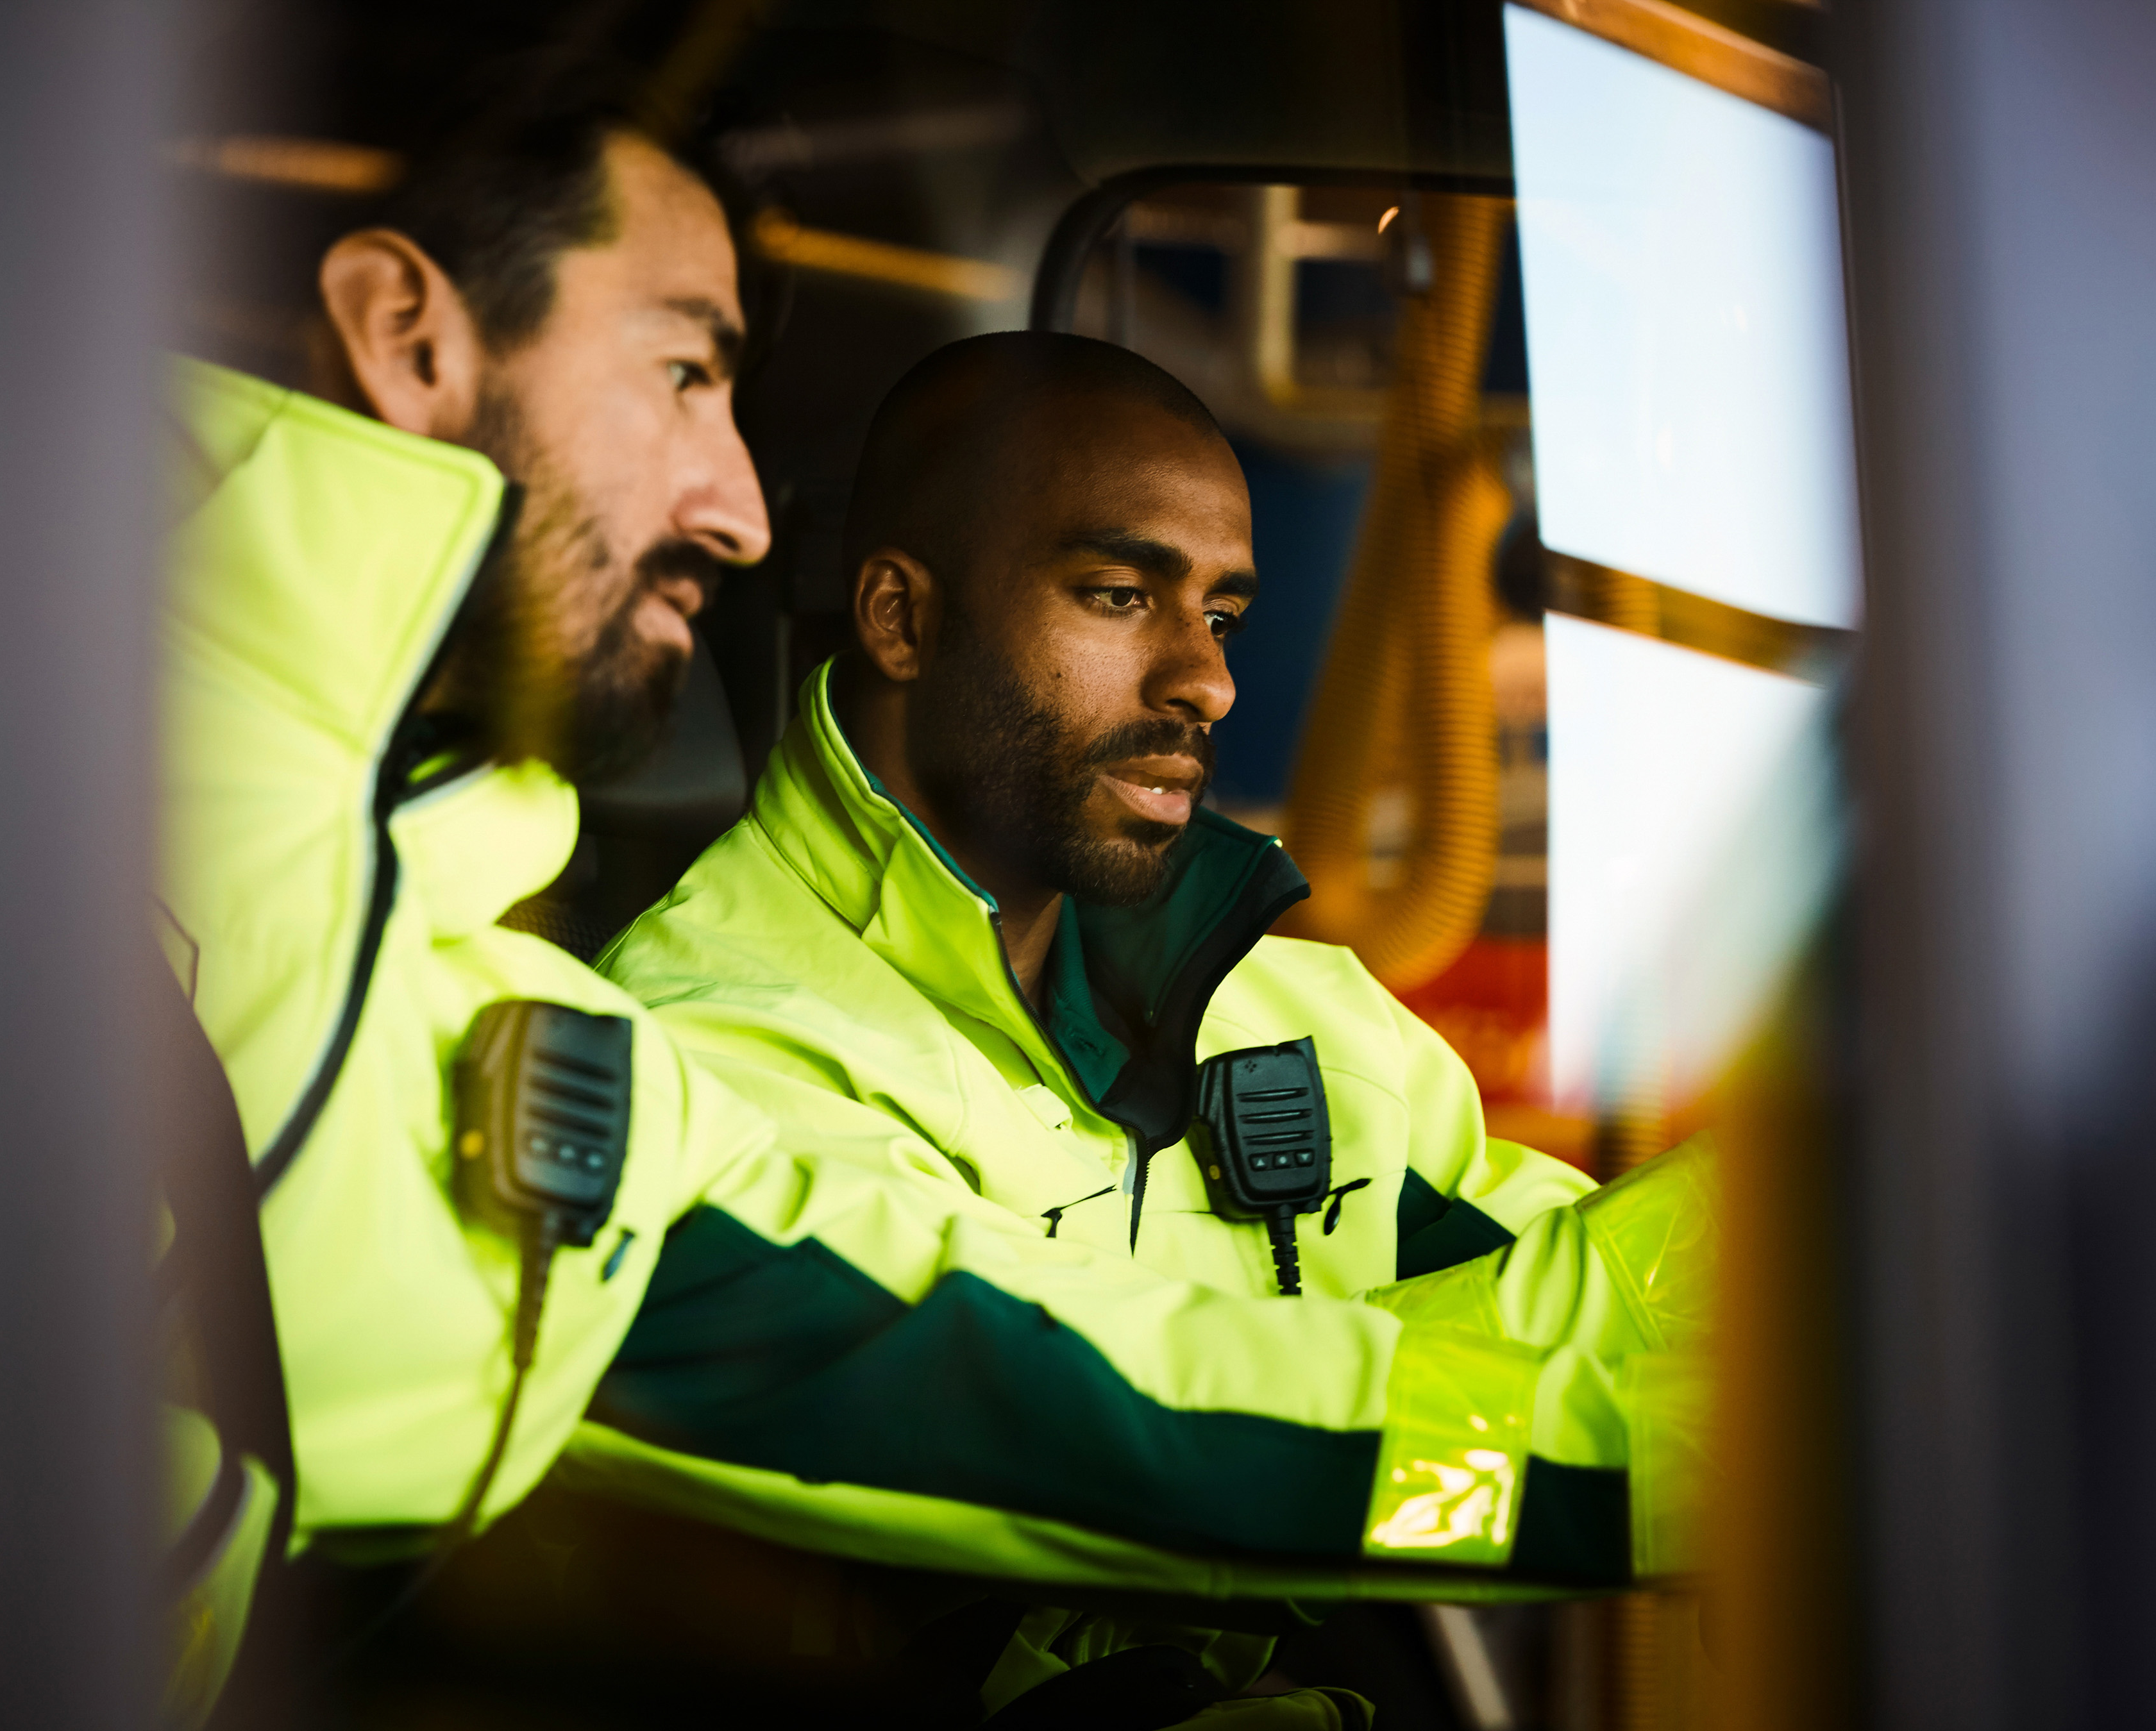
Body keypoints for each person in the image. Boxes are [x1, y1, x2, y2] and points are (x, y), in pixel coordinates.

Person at [589, 332, 1714, 1700]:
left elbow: (1546, 1300)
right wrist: (1686, 1465)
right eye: (1124, 595)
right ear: (901, 620)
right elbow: (1125, 1418)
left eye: (1225, 617)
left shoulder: (1282, 1008)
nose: (1210, 682)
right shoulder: (706, 1048)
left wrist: (1861, 1243)